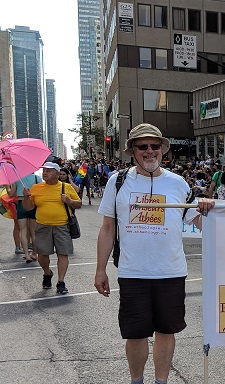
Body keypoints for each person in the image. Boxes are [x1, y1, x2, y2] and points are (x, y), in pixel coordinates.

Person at [94, 123, 213, 384]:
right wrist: (100, 269)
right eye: (143, 146)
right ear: (133, 151)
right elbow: (107, 227)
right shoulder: (118, 181)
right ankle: (137, 380)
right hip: (132, 271)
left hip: (171, 271)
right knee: (135, 334)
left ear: (162, 150)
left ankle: (162, 382)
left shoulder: (178, 183)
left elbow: (203, 223)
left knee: (166, 331)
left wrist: (209, 207)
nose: (150, 151)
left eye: (155, 146)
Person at [22, 162, 82, 294]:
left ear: (57, 173)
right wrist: (26, 198)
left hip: (62, 226)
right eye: (44, 170)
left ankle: (61, 282)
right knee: (42, 255)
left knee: (63, 253)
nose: (45, 173)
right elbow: (28, 207)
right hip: (43, 226)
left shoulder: (66, 187)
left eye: (48, 171)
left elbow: (79, 204)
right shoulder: (36, 188)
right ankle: (47, 273)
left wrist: (69, 201)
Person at [8, 173, 42, 262]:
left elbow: (11, 194)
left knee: (23, 230)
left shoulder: (18, 179)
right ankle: (34, 253)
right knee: (33, 231)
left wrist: (7, 187)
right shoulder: (37, 178)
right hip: (33, 204)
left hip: (20, 204)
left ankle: (26, 254)